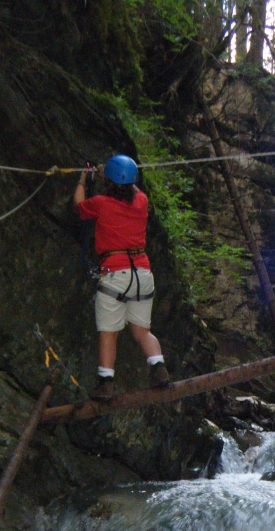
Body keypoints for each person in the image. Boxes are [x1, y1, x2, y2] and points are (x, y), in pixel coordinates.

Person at [73, 154, 170, 400]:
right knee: (142, 331)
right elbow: (131, 188)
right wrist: (112, 172)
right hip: (142, 274)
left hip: (115, 274)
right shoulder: (141, 202)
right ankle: (159, 368)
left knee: (109, 332)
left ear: (109, 182)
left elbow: (79, 205)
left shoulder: (101, 203)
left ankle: (106, 384)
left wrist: (83, 179)